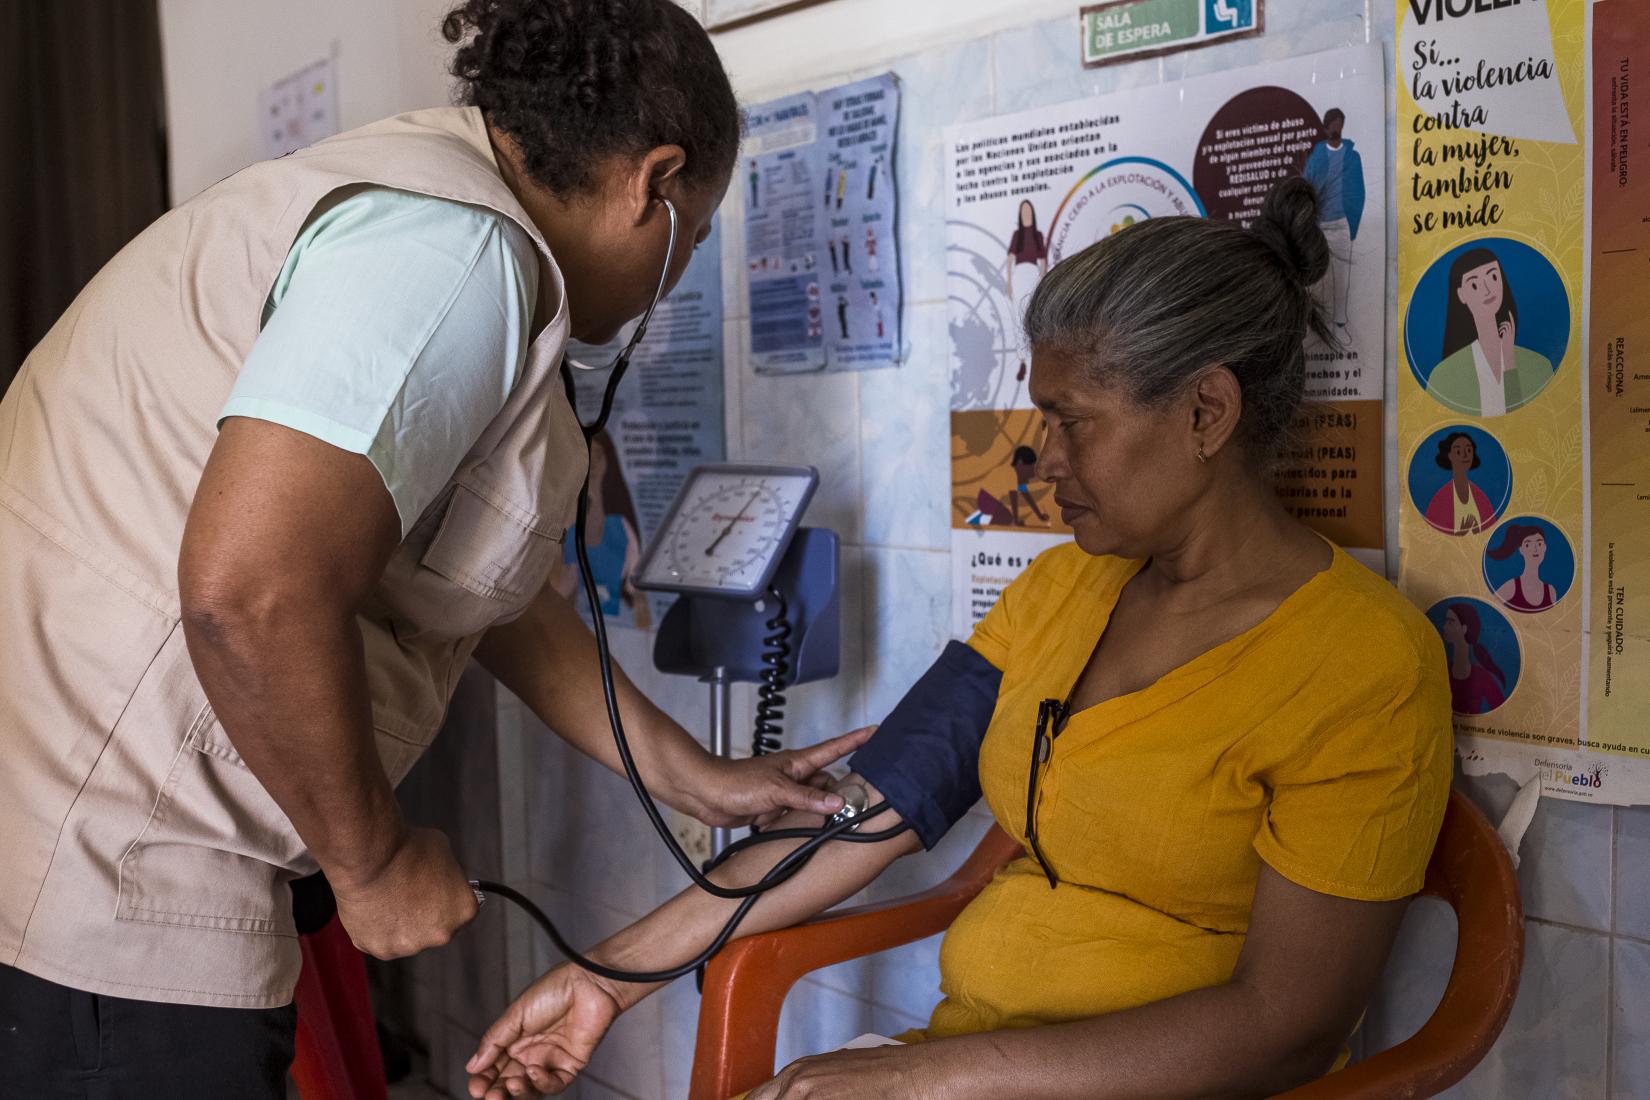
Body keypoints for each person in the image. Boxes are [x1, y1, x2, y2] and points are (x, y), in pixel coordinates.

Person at [0, 3, 870, 1095]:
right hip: (107, 868)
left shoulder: (435, 214)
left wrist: (689, 774)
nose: (680, 270)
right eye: (690, 235)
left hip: (85, 822)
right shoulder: (450, 256)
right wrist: (374, 861)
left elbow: (474, 588)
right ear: (655, 180)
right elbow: (253, 588)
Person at [465, 178, 1453, 1100]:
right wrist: (607, 976)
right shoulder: (1062, 589)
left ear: (1206, 411)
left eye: (1071, 420)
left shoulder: (1363, 663)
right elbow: (863, 813)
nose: (1041, 454)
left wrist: (917, 1078)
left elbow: (1285, 1022)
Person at [1425, 246, 1555, 416]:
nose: (1487, 289)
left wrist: (1509, 362)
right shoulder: (1442, 377)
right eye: (1474, 284)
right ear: (1461, 294)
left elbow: (1530, 422)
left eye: (1493, 276)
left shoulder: (1540, 367)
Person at [553, 431, 651, 629]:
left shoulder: (621, 527)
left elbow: (636, 592)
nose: (593, 463)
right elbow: (564, 583)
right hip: (576, 621)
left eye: (598, 455)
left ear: (608, 460)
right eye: (588, 455)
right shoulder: (568, 525)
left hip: (620, 622)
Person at [1300, 107, 1365, 333]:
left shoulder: (1352, 157)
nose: (1335, 129)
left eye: (1339, 124)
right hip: (1319, 227)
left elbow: (1359, 191)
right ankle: (1322, 323)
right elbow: (1305, 190)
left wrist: (1353, 224)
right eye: (1332, 124)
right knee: (1320, 279)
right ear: (1326, 127)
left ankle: (1339, 320)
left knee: (1342, 276)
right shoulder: (1316, 157)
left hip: (1342, 223)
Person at [1423, 430, 1497, 536]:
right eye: (1458, 451)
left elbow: (1492, 531)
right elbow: (1432, 538)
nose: (1465, 455)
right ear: (1450, 456)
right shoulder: (1440, 499)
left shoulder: (1481, 497)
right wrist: (1460, 535)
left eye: (1469, 450)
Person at [1440, 603, 1509, 714]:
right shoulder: (1442, 673)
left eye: (1450, 622)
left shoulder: (1482, 677)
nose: (1444, 627)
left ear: (1464, 628)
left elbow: (1501, 712)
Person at [1487, 522, 1557, 612]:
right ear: (1521, 550)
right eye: (1528, 544)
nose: (1535, 549)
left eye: (1539, 544)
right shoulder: (1511, 587)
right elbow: (1489, 608)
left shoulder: (1551, 592)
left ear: (1544, 547)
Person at [1004, 198, 1048, 301]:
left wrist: (1042, 282)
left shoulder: (1038, 235)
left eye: (1028, 211)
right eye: (1024, 212)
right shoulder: (1017, 235)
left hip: (1034, 274)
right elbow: (1010, 259)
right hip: (1018, 275)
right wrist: (1009, 283)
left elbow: (1042, 261)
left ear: (1032, 214)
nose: (1026, 214)